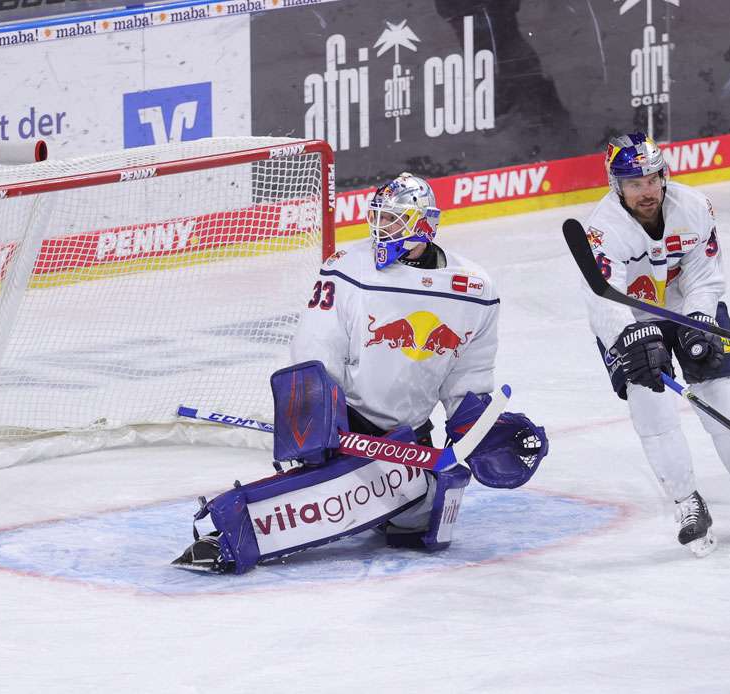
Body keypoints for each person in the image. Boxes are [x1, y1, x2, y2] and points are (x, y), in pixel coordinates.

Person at [173, 172, 548, 573]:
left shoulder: (474, 288)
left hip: (409, 439)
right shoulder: (349, 268)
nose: (380, 228)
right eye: (379, 217)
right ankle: (230, 536)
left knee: (422, 528)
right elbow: (315, 348)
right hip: (347, 427)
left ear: (425, 222)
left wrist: (479, 429)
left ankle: (382, 497)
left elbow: (467, 376)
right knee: (333, 492)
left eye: (393, 218)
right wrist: (315, 420)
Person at [577, 132, 730, 558]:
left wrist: (701, 319)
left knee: (722, 395)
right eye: (635, 184)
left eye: (653, 179)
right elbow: (602, 297)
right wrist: (627, 337)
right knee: (650, 408)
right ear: (617, 185)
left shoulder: (694, 206)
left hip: (688, 308)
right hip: (631, 322)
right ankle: (686, 501)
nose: (647, 191)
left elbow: (705, 277)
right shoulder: (601, 230)